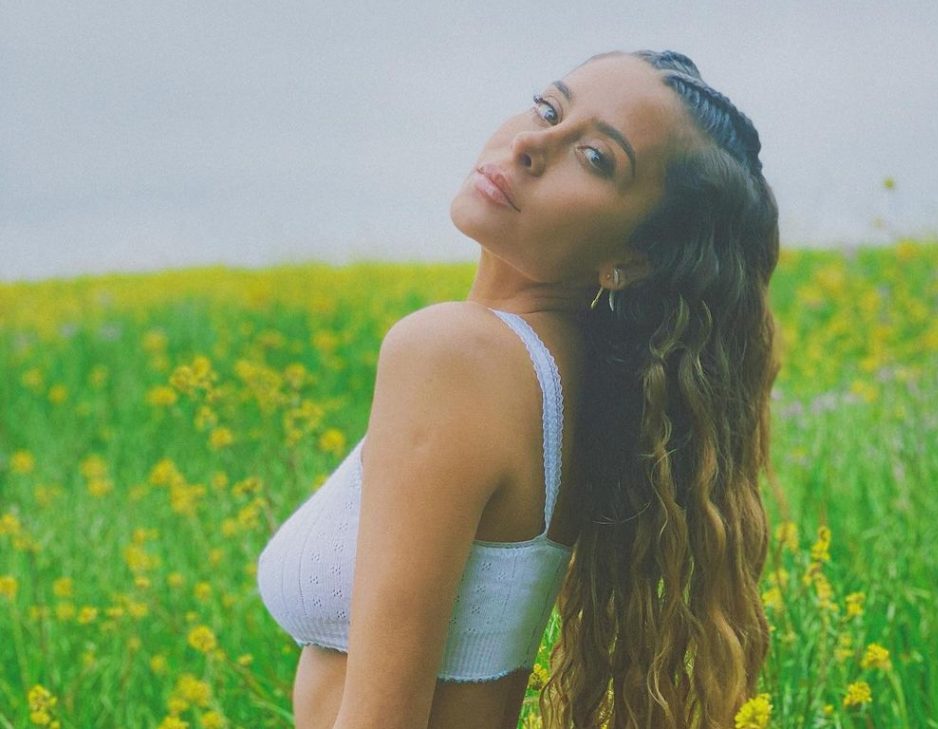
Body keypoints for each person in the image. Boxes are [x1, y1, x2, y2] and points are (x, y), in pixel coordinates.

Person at [257, 48, 780, 729]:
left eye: (595, 158)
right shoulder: (575, 374)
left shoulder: (454, 355)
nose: (532, 145)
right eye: (548, 109)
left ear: (631, 257)